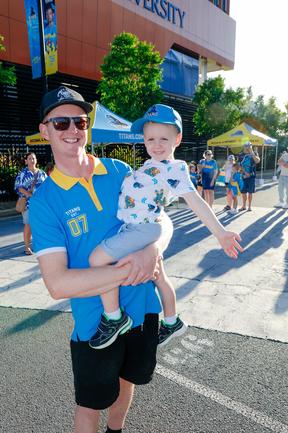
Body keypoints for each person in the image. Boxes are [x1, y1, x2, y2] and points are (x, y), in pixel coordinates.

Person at [30, 87, 172, 433]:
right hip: (97, 325)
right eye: (60, 123)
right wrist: (128, 269)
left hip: (143, 311)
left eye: (79, 121)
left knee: (127, 383)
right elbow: (57, 284)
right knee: (90, 406)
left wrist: (153, 250)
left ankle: (117, 431)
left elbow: (162, 220)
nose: (72, 130)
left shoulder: (120, 170)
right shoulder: (44, 202)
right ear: (44, 130)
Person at [88, 104, 243, 351]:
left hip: (142, 229)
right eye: (150, 138)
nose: (157, 144)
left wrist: (220, 232)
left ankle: (114, 318)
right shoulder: (152, 165)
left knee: (97, 259)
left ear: (177, 139)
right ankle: (171, 321)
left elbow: (196, 202)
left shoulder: (175, 168)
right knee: (160, 276)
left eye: (164, 138)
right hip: (141, 228)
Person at [14, 152, 47, 255]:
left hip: (40, 204)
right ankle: (27, 247)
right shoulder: (23, 173)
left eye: (33, 158)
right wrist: (30, 195)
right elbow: (18, 187)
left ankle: (39, 245)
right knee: (28, 225)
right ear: (26, 161)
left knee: (40, 225)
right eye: (29, 158)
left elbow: (47, 187)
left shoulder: (41, 173)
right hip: (28, 204)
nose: (32, 160)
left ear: (36, 160)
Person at [237, 142, 260, 211]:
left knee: (250, 192)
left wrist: (252, 152)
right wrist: (244, 172)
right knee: (243, 192)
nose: (248, 147)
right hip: (243, 176)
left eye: (249, 146)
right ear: (243, 146)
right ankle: (244, 206)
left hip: (251, 176)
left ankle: (249, 206)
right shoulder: (241, 155)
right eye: (246, 146)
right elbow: (239, 165)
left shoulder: (254, 153)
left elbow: (257, 161)